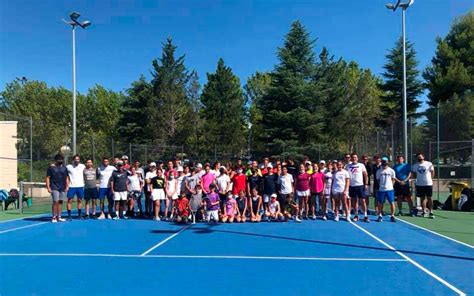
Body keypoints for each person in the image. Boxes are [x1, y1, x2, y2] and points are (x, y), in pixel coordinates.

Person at [46, 154, 68, 223]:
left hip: (62, 187)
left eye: (61, 159)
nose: (60, 160)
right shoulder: (51, 168)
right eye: (59, 159)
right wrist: (48, 187)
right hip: (54, 187)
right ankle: (54, 217)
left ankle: (59, 216)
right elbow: (47, 178)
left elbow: (67, 177)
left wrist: (67, 186)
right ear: (55, 160)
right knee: (55, 201)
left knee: (60, 202)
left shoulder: (64, 168)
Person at [412, 153, 435, 218]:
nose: (420, 158)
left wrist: (431, 179)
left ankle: (431, 212)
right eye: (418, 157)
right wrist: (415, 180)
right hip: (419, 184)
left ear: (423, 157)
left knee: (429, 197)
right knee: (422, 198)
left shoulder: (429, 164)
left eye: (421, 157)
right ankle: (424, 211)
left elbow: (432, 171)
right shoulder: (415, 165)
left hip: (428, 184)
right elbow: (413, 173)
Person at [347, 153, 369, 222]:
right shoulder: (347, 166)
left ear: (357, 158)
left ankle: (365, 216)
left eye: (355, 157)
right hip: (352, 186)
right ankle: (356, 215)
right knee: (354, 201)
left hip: (360, 185)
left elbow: (366, 175)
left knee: (363, 201)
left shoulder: (361, 165)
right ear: (351, 158)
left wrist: (366, 184)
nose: (354, 158)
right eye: (353, 157)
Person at [376, 157, 398, 222]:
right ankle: (380, 215)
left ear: (388, 162)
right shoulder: (379, 171)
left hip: (390, 189)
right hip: (381, 190)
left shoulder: (391, 171)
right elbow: (378, 180)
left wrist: (390, 186)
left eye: (385, 162)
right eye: (383, 162)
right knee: (380, 203)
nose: (384, 163)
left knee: (392, 202)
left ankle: (392, 216)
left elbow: (393, 179)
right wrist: (382, 185)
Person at [66, 154, 85, 220]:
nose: (77, 160)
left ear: (79, 160)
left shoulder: (83, 166)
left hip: (80, 186)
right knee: (69, 201)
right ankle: (69, 216)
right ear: (73, 160)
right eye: (75, 159)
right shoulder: (68, 166)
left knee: (80, 200)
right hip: (71, 186)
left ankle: (79, 215)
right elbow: (61, 168)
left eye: (78, 159)